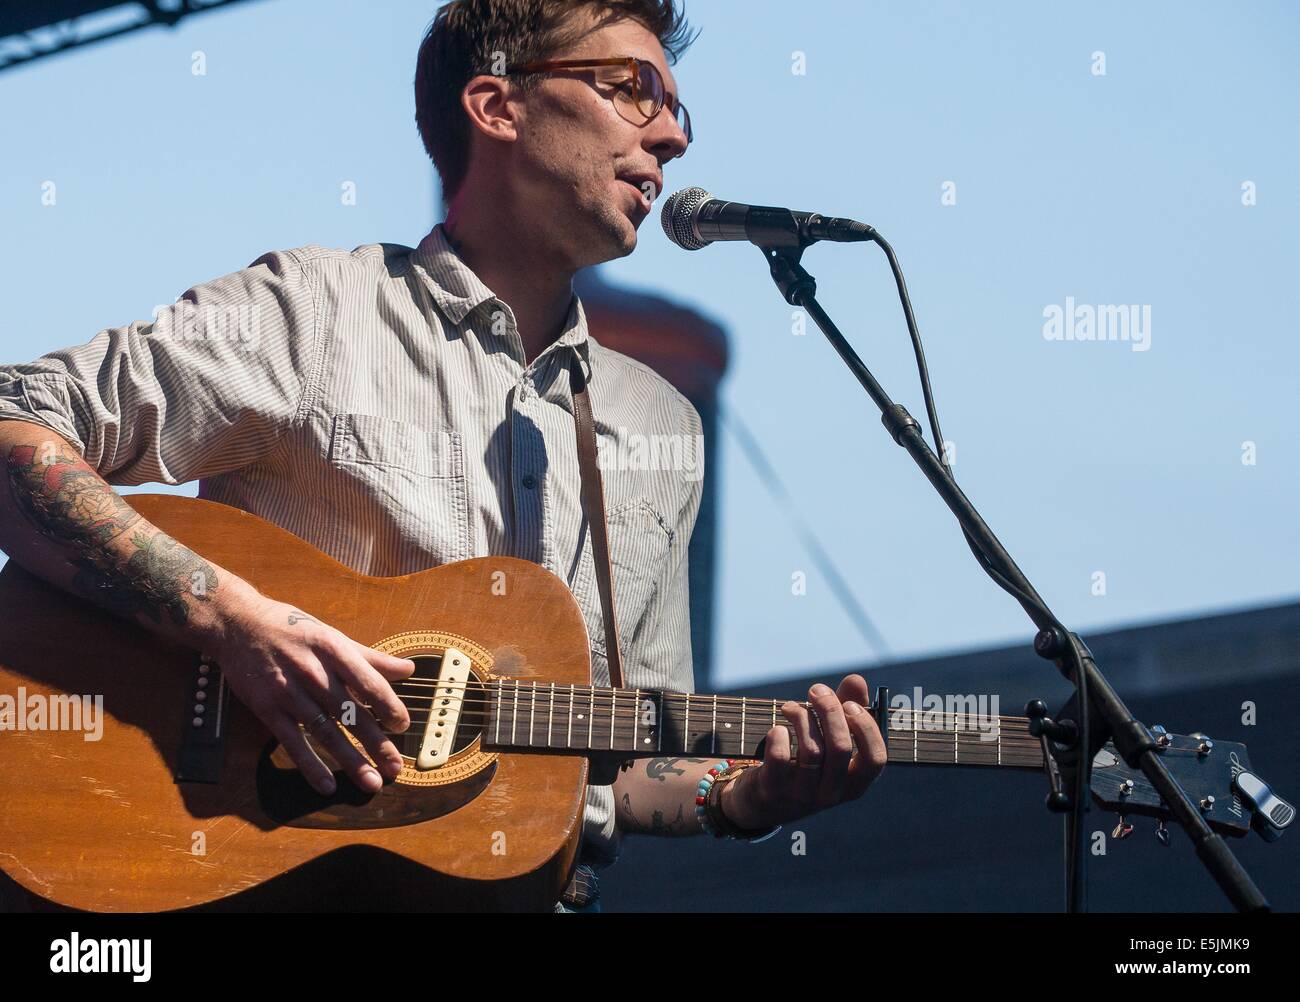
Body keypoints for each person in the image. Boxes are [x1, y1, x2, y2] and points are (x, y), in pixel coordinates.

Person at [0, 0, 886, 913]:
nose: (672, 137)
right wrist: (229, 619)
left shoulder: (660, 423)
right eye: (634, 89)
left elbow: (619, 764)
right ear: (498, 107)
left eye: (676, 109)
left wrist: (747, 797)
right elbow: (11, 422)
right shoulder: (308, 315)